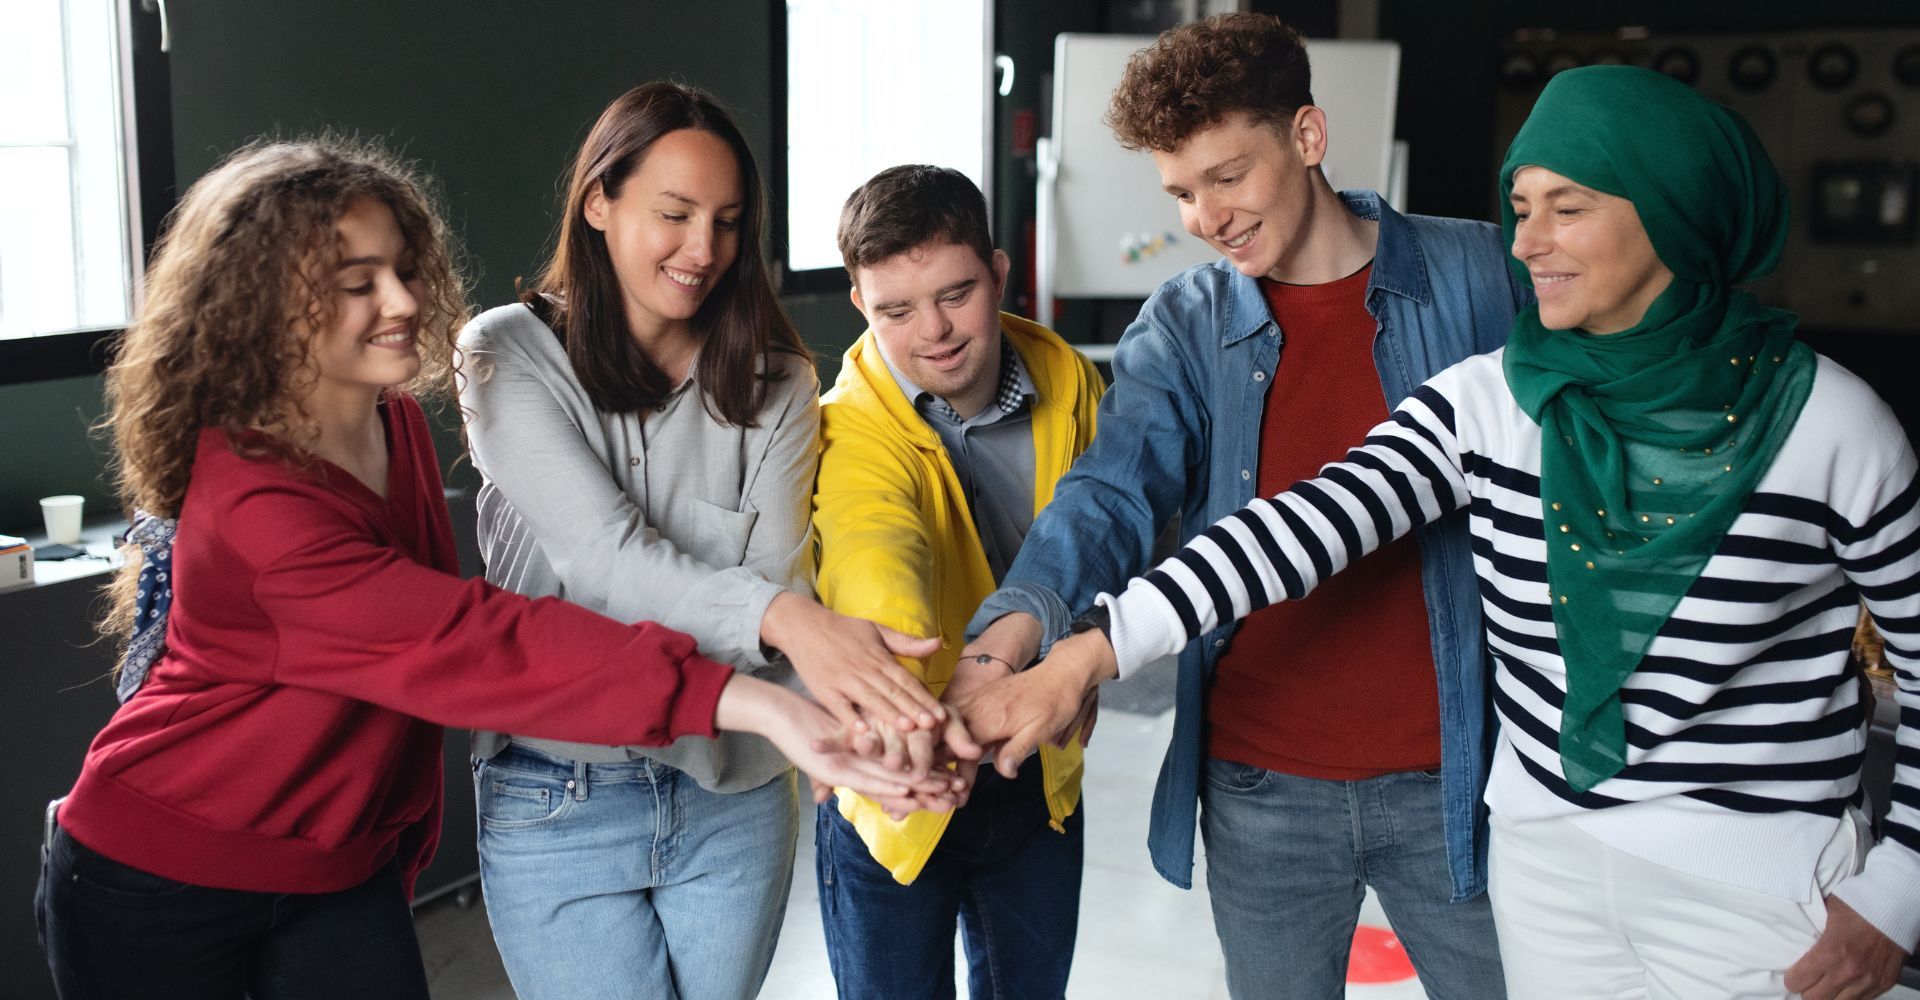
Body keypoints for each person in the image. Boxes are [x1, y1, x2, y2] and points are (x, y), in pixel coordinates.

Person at [964, 65, 1920, 1000]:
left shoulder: (1831, 425)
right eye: (1523, 204)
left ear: (1667, 209)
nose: (1530, 240)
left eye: (1567, 206)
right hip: (1530, 853)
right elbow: (1289, 527)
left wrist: (1898, 892)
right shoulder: (1496, 398)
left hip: (1721, 876)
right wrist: (1070, 646)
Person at [33, 138, 935, 1000]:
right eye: (358, 284)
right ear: (266, 306)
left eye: (404, 268)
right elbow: (481, 643)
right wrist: (768, 703)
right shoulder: (258, 510)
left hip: (336, 864)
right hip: (162, 874)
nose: (402, 301)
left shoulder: (385, 424)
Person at [961, 14, 1525, 997]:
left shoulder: (1482, 278)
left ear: (1307, 138)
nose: (1206, 217)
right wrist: (1007, 638)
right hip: (1265, 783)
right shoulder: (1184, 326)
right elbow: (1109, 494)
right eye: (1180, 190)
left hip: (1462, 770)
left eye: (1228, 176)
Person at [455, 82, 959, 1000]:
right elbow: (600, 558)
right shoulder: (504, 355)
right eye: (675, 214)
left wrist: (862, 730)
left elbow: (775, 587)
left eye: (727, 222)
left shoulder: (779, 387)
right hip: (558, 792)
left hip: (731, 792)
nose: (704, 251)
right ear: (599, 202)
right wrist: (787, 624)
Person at [811, 164, 1105, 999]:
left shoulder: (1072, 383)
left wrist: (1078, 647)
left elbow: (1096, 539)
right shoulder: (848, 428)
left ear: (1000, 274)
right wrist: (899, 712)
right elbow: (876, 557)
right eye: (895, 310)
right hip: (900, 786)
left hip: (1034, 766)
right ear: (860, 300)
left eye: (956, 293)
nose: (933, 331)